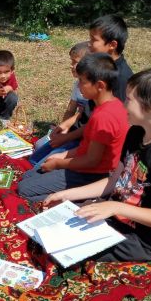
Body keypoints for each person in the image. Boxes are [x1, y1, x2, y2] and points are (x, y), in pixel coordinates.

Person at [43, 68, 151, 262]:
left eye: (129, 100)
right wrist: (67, 194)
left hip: (139, 239)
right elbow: (116, 180)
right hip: (111, 220)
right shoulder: (136, 133)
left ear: (150, 107)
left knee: (60, 253)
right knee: (50, 230)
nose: (124, 105)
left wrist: (116, 207)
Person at [18, 53, 129, 202]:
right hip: (82, 164)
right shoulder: (109, 105)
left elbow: (92, 160)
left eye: (82, 81)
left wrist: (59, 164)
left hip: (90, 174)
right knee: (28, 176)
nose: (78, 85)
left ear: (100, 85)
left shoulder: (104, 117)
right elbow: (88, 147)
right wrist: (63, 156)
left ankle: (80, 199)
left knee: (24, 190)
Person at [48, 14, 133, 151]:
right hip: (79, 131)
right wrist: (67, 124)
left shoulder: (120, 78)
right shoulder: (99, 65)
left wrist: (67, 137)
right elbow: (89, 110)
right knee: (40, 149)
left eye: (93, 40)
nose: (89, 44)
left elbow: (102, 123)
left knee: (42, 165)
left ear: (112, 45)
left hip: (91, 142)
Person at [29, 41, 90, 167]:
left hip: (81, 137)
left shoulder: (93, 90)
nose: (71, 66)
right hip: (72, 130)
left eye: (75, 62)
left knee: (45, 161)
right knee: (39, 145)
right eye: (71, 61)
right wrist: (61, 129)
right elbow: (70, 110)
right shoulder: (76, 85)